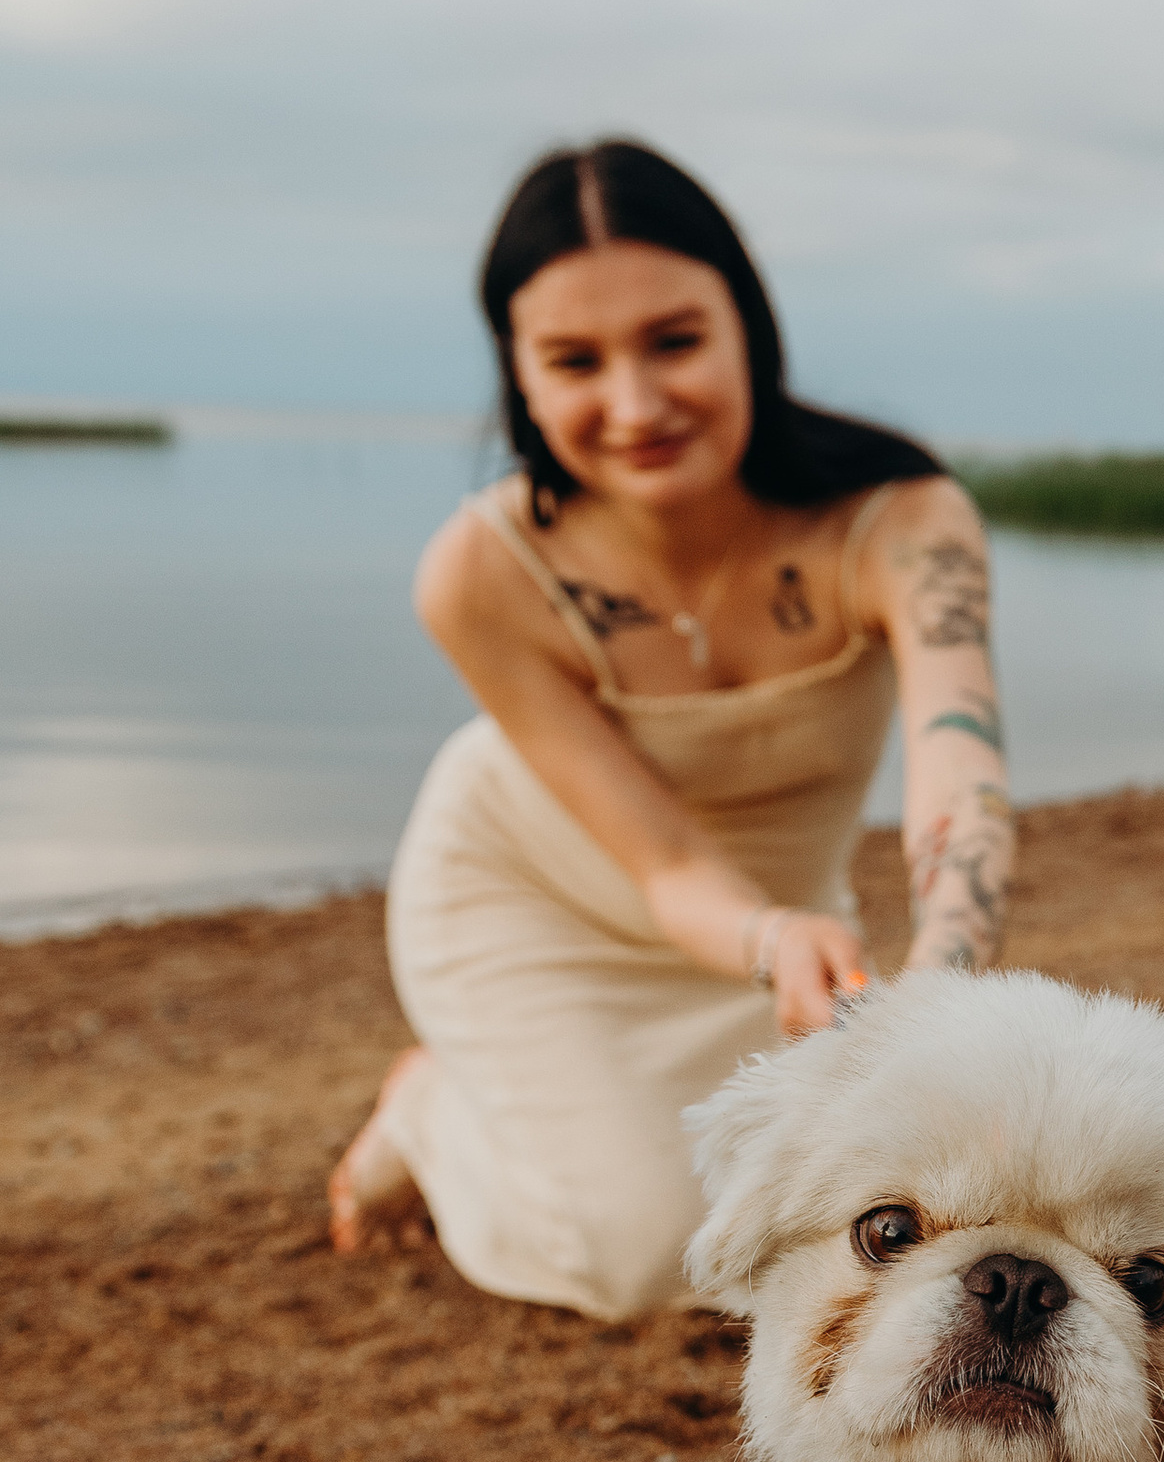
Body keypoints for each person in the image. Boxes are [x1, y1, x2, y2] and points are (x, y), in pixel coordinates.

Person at [328, 140, 1013, 1317]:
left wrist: (936, 986)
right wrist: (765, 939)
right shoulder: (480, 574)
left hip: (786, 919)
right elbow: (666, 860)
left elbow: (960, 771)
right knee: (643, 1258)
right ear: (520, 374)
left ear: (747, 322)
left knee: (807, 1221)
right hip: (544, 895)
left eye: (675, 341)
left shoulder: (903, 519)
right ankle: (433, 1112)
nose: (636, 405)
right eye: (574, 361)